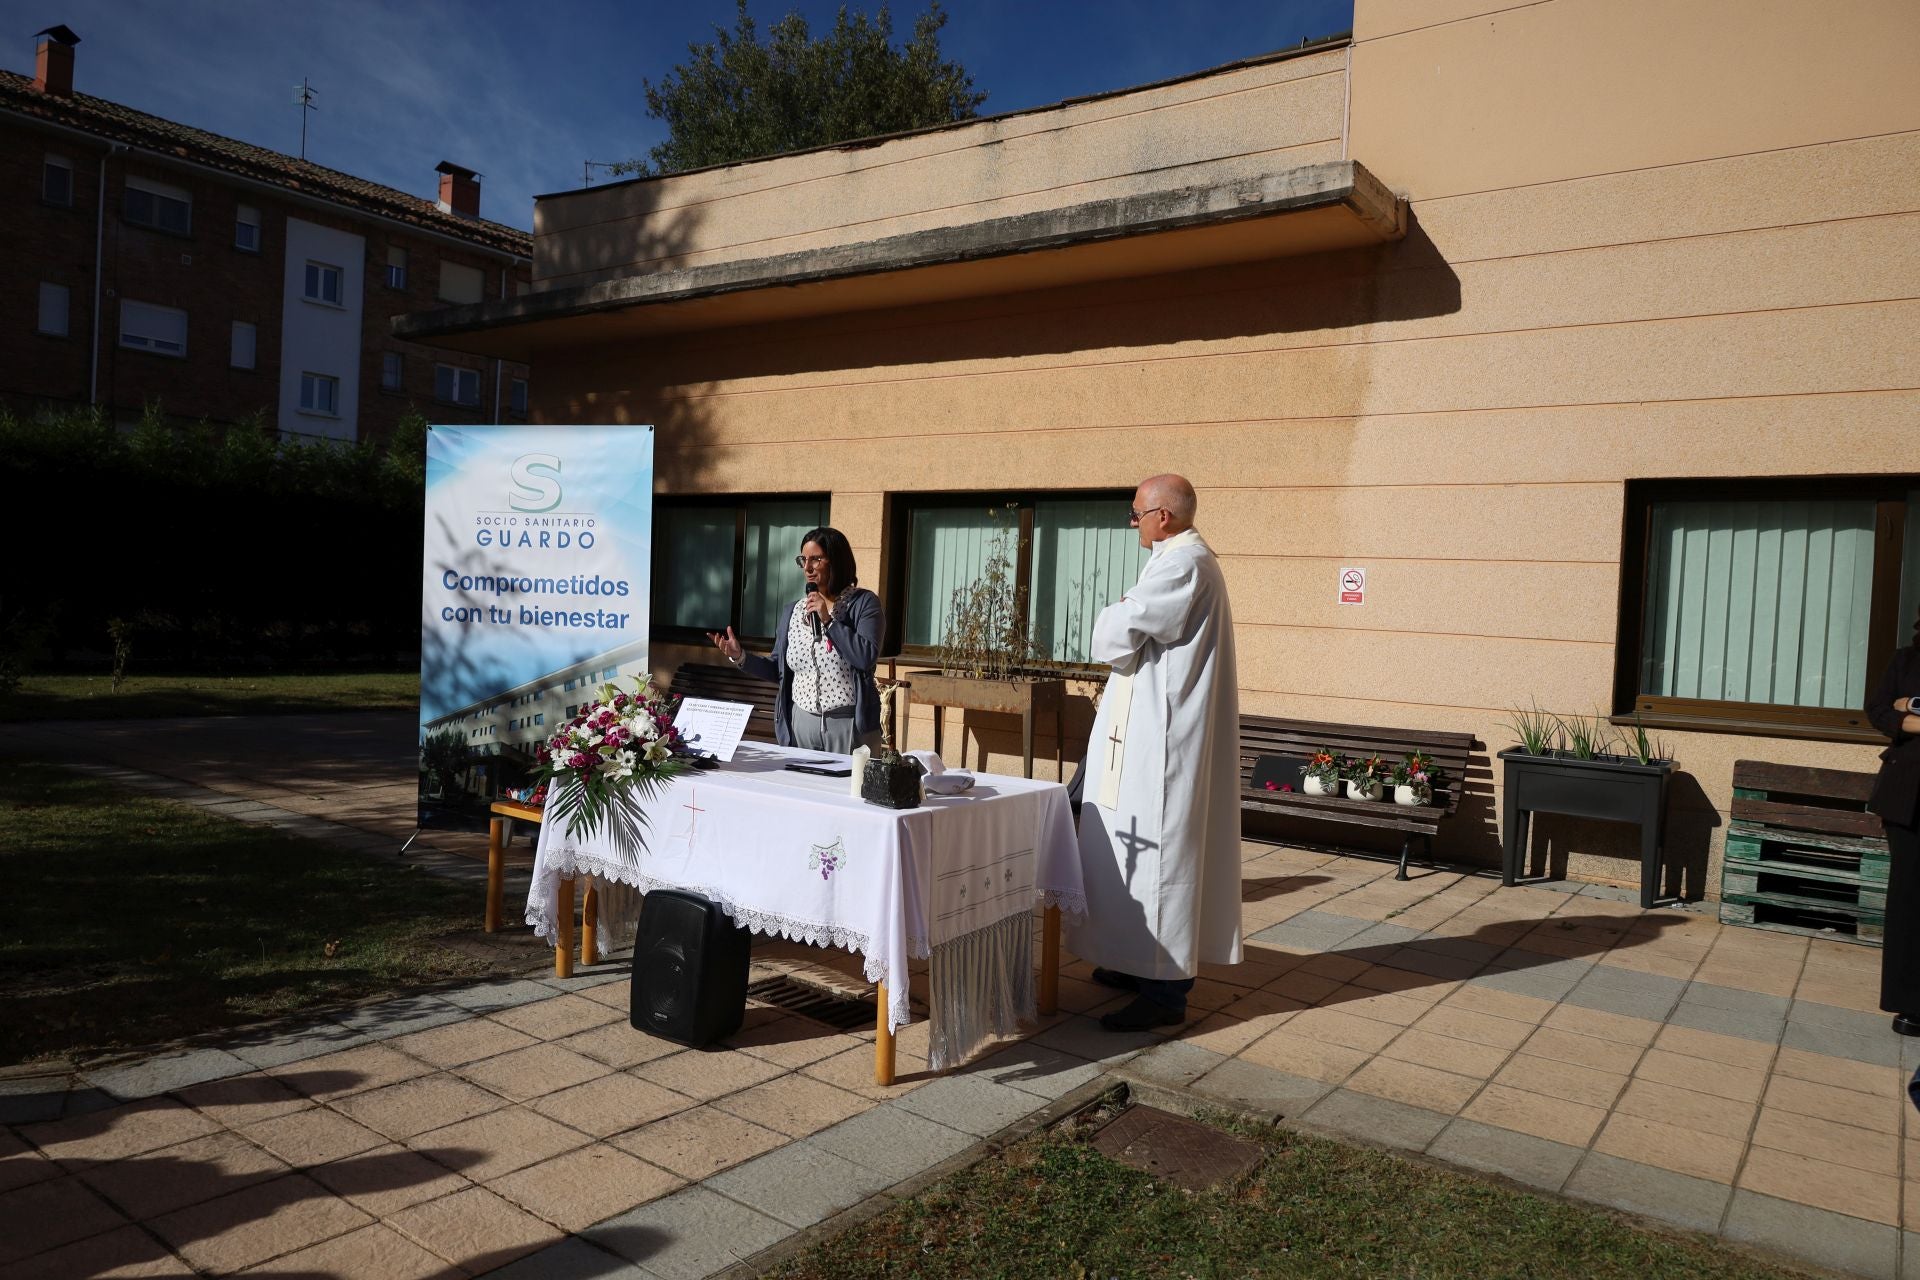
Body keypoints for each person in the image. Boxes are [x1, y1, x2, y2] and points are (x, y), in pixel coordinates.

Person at [1071, 474, 1241, 1031]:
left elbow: (1111, 634)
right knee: (1130, 854)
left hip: (1162, 743)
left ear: (1162, 516)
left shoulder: (1183, 564)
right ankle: (1136, 959)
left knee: (1160, 859)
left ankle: (1165, 992)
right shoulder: (1177, 558)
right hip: (1146, 732)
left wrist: (1115, 612)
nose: (1133, 523)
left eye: (1136, 514)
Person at [708, 527, 884, 754]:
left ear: (836, 561)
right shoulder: (793, 611)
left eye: (816, 559)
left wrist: (829, 621)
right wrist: (740, 656)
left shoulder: (864, 604)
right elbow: (778, 669)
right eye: (804, 560)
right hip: (801, 723)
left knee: (845, 789)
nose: (808, 567)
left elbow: (865, 657)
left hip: (848, 724)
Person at [1868, 612, 1920, 1036]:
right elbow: (1878, 710)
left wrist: (1911, 712)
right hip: (1907, 797)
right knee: (1908, 899)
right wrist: (1904, 717)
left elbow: (1899, 712)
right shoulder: (1905, 660)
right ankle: (1910, 1004)